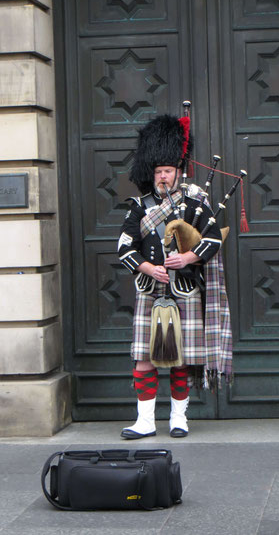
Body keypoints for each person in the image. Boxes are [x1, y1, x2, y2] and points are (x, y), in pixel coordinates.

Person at [118, 114, 232, 439]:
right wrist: (147, 267)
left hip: (185, 290)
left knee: (182, 359)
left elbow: (212, 238)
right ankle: (145, 422)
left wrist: (187, 257)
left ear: (179, 171)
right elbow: (125, 247)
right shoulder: (139, 207)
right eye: (158, 171)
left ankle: (178, 419)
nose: (163, 176)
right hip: (150, 290)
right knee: (143, 359)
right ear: (150, 173)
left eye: (168, 170)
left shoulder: (195, 203)